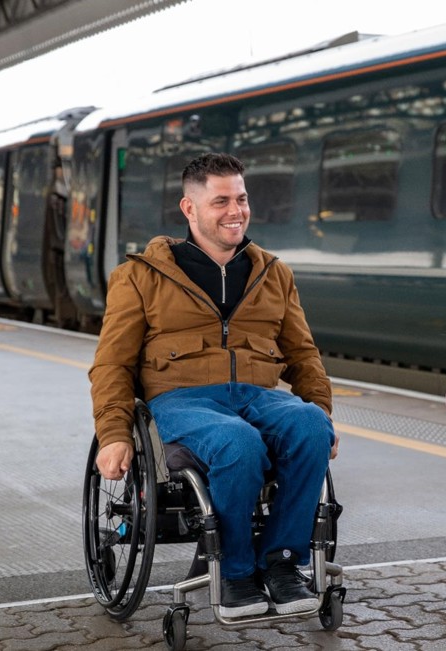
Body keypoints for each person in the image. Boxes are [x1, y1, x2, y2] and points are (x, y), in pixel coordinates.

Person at [89, 152, 338, 618]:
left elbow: (303, 354)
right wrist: (115, 433)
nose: (235, 211)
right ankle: (238, 572)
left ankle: (283, 563)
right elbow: (112, 363)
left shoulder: (273, 272)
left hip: (258, 395)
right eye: (221, 200)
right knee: (235, 441)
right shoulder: (140, 276)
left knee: (309, 425)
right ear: (189, 209)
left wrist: (321, 410)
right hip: (181, 399)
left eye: (241, 199)